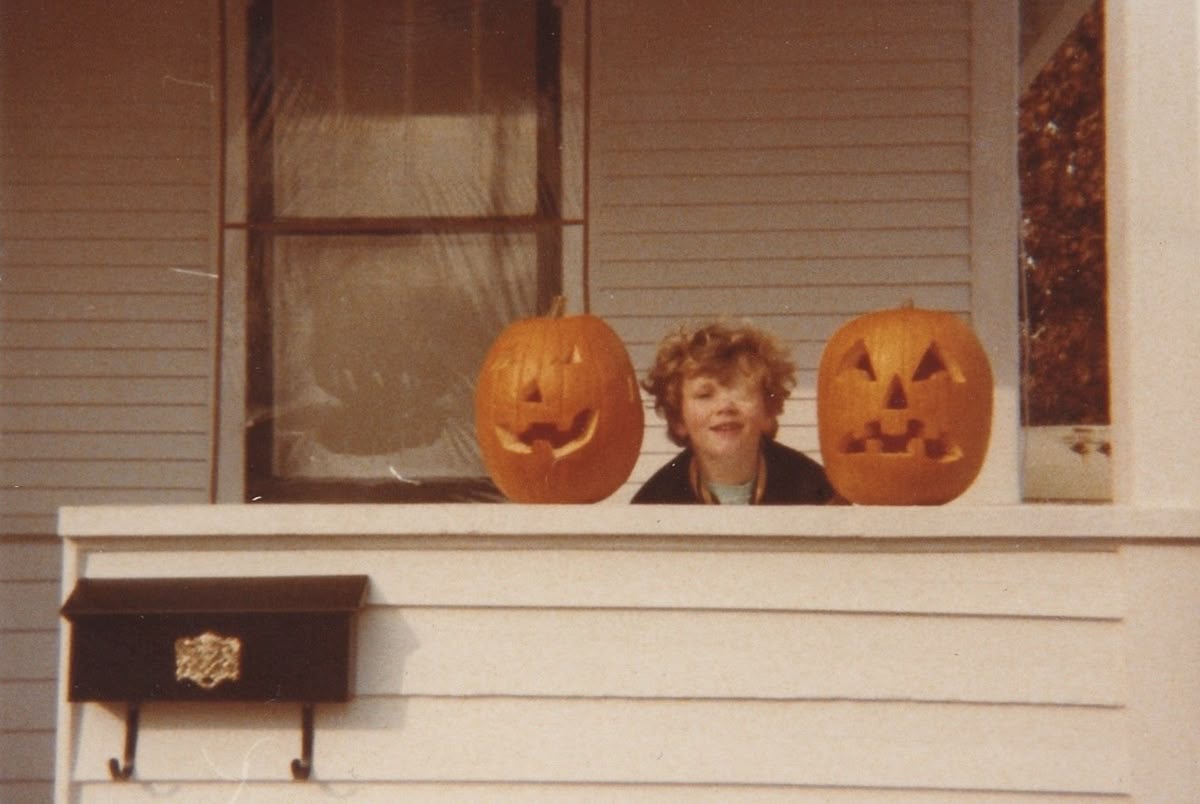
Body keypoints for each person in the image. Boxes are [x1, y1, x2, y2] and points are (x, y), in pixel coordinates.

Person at [631, 320, 836, 505]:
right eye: (704, 395)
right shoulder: (656, 501)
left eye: (741, 391)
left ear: (768, 411)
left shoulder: (815, 490)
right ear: (678, 420)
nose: (725, 406)